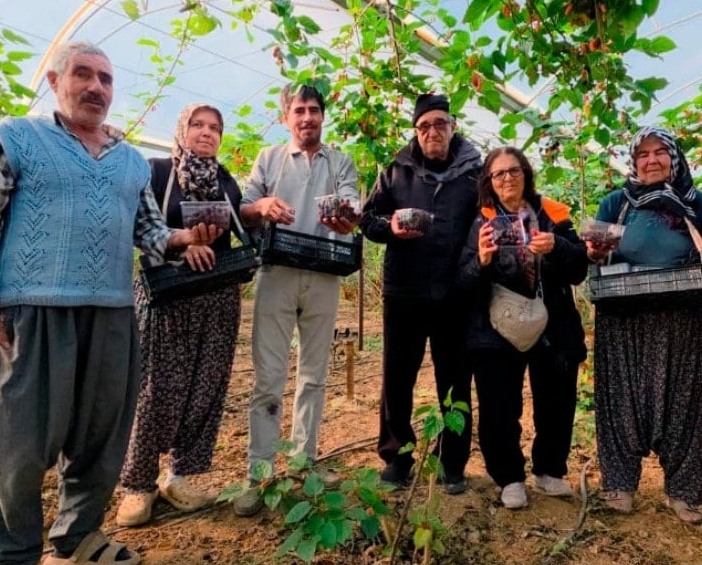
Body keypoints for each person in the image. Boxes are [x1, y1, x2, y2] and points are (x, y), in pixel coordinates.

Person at [0, 41, 219, 565]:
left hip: (112, 311)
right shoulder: (16, 137)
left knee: (103, 434)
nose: (96, 87)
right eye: (83, 75)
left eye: (105, 78)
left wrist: (181, 239)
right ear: (54, 81)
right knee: (18, 442)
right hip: (31, 310)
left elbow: (148, 229)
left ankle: (74, 541)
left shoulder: (126, 160)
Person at [233, 84, 360, 517]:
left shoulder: (340, 161)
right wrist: (263, 205)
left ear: (324, 116)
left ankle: (304, 464)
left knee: (314, 375)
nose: (307, 117)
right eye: (299, 110)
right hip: (277, 273)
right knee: (268, 376)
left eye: (315, 110)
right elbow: (245, 208)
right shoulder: (269, 159)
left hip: (324, 273)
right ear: (286, 117)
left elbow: (352, 208)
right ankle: (260, 473)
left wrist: (346, 219)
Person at [115, 103, 243, 527]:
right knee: (153, 388)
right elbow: (138, 230)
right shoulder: (156, 173)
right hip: (166, 297)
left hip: (217, 298)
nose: (207, 133)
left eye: (215, 127)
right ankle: (137, 484)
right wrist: (182, 244)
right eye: (198, 124)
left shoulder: (226, 181)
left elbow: (239, 229)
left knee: (205, 387)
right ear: (181, 128)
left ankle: (180, 475)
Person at [585, 127, 702, 520]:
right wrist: (594, 248)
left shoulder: (696, 204)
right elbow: (595, 253)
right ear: (634, 161)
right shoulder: (616, 203)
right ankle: (619, 486)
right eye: (643, 154)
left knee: (683, 402)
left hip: (684, 315)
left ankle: (682, 493)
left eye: (661, 152)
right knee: (619, 399)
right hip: (623, 316)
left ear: (675, 158)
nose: (652, 160)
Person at [360, 92, 482, 492]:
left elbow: (489, 220)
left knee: (455, 379)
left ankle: (452, 462)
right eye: (424, 125)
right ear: (416, 131)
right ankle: (397, 456)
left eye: (440, 124)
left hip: (456, 293)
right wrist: (389, 228)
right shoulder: (396, 170)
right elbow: (368, 218)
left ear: (453, 127)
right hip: (404, 291)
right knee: (397, 378)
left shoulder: (474, 174)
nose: (433, 131)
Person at [457, 147, 588, 509]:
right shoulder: (482, 222)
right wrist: (482, 261)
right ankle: (509, 477)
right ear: (490, 183)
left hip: (553, 322)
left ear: (526, 174)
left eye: (513, 171)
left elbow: (579, 267)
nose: (507, 178)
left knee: (557, 399)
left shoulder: (553, 213)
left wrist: (557, 246)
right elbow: (463, 284)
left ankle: (549, 470)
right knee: (499, 404)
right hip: (495, 327)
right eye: (498, 174)